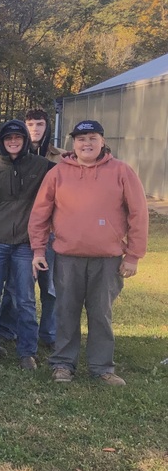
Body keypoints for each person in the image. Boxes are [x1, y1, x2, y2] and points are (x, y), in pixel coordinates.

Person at [29, 120, 148, 386]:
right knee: (66, 311)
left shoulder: (121, 171)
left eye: (92, 138)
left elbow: (139, 214)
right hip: (67, 257)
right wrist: (38, 249)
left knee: (101, 314)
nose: (87, 144)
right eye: (81, 139)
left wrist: (133, 255)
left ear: (102, 141)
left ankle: (102, 367)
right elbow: (39, 213)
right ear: (73, 144)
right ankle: (63, 364)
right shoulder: (58, 173)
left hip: (107, 259)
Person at [0, 120, 50, 370]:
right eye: (8, 138)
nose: (13, 141)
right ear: (2, 142)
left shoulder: (43, 166)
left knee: (24, 300)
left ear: (25, 139)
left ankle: (27, 352)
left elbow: (66, 174)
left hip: (26, 244)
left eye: (18, 137)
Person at [0, 108, 64, 348]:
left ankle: (49, 333)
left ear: (47, 126)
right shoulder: (14, 155)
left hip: (50, 230)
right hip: (19, 230)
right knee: (15, 284)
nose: (35, 128)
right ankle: (8, 328)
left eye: (39, 124)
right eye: (30, 124)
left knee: (50, 285)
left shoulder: (60, 158)